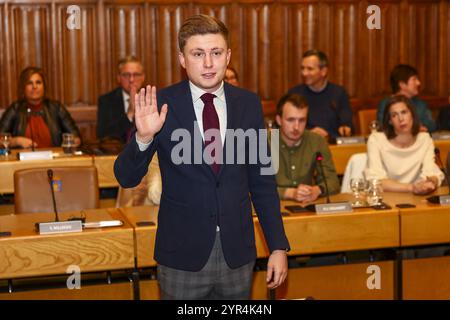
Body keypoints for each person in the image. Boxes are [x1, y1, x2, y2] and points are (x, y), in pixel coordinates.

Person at [114, 14, 289, 300]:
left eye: (216, 53)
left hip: (238, 253)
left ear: (228, 55)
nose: (208, 64)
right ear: (182, 59)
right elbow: (126, 177)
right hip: (183, 255)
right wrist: (143, 138)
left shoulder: (248, 104)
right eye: (198, 54)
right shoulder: (162, 105)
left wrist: (278, 247)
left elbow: (263, 182)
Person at [365, 95, 443, 194]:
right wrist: (411, 188)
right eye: (394, 115)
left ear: (412, 115)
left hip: (416, 199)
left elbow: (430, 172)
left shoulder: (424, 139)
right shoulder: (376, 140)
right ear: (389, 121)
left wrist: (432, 182)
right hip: (386, 199)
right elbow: (377, 181)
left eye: (404, 112)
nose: (401, 118)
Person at [275, 93, 340, 203]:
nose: (296, 127)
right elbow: (252, 188)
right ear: (279, 120)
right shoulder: (262, 143)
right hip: (272, 207)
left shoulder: (317, 141)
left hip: (306, 205)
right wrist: (290, 193)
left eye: (302, 120)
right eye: (290, 120)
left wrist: (317, 190)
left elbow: (333, 181)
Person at [0, 66, 81, 148]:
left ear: (44, 87)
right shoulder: (15, 109)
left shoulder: (56, 108)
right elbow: (0, 140)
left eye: (38, 82)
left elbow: (76, 137)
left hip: (54, 159)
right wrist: (16, 141)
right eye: (29, 83)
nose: (34, 87)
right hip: (24, 160)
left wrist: (72, 141)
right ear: (23, 88)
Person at [288, 50, 353, 139]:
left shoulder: (339, 93)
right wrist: (308, 134)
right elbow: (284, 128)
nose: (304, 73)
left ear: (324, 71)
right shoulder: (294, 94)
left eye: (309, 69)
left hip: (333, 147)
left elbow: (348, 126)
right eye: (302, 68)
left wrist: (344, 130)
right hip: (304, 146)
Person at [97, 56, 145, 143]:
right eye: (126, 75)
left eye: (136, 74)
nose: (131, 79)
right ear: (118, 78)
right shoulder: (106, 101)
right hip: (117, 153)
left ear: (143, 77)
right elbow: (103, 136)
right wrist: (130, 114)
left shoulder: (153, 99)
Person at [376, 64, 436, 132]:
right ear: (402, 84)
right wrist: (411, 129)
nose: (418, 83)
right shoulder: (386, 103)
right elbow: (382, 126)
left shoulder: (420, 104)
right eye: (414, 79)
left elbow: (432, 126)